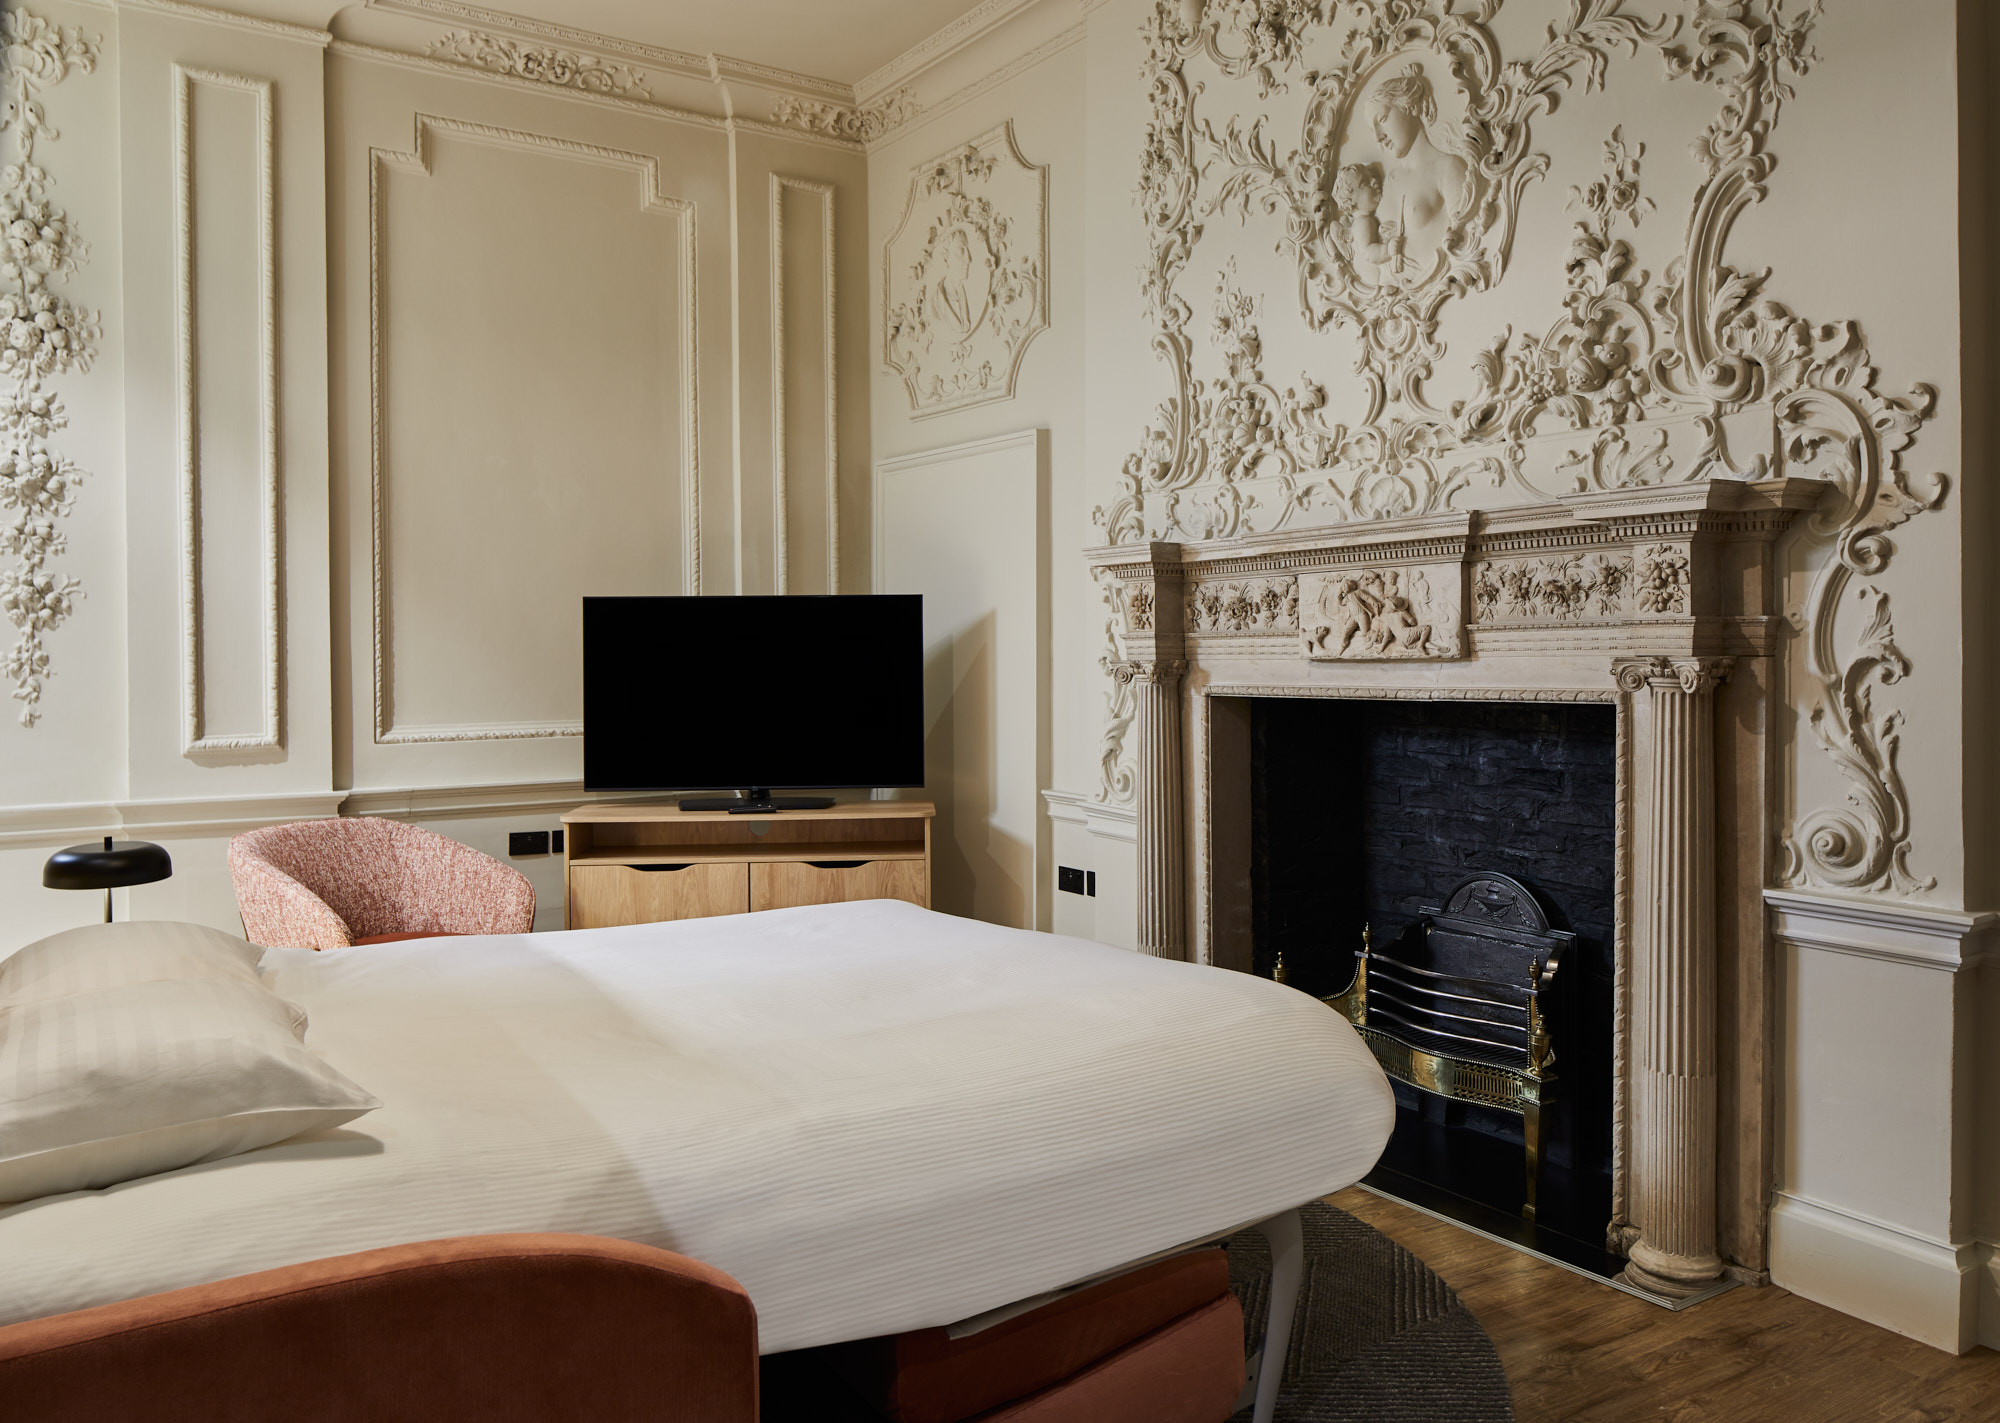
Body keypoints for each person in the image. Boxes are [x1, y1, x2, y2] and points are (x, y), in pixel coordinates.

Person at [1369, 64, 1470, 268]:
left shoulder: (1448, 168)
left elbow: (1467, 237)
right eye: (1373, 129)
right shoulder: (1388, 182)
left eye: (1382, 119)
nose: (1378, 137)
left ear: (1411, 107)